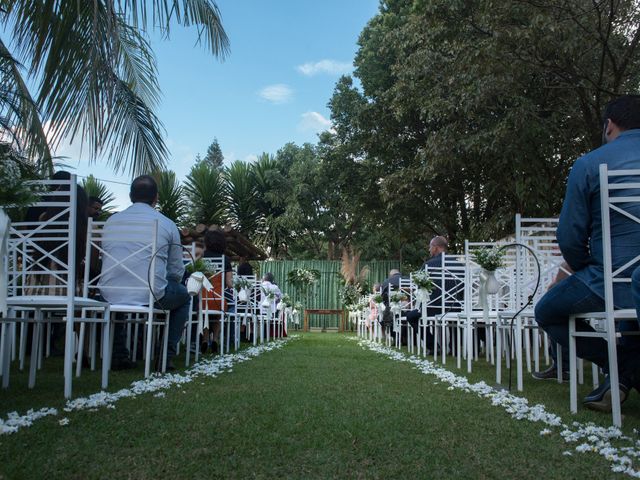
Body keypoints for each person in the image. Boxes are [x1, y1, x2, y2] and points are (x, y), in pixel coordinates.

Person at [533, 94, 640, 411]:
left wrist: (584, 267)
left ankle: (623, 368)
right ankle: (625, 370)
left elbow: (569, 236)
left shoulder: (591, 164)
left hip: (609, 279)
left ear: (609, 125)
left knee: (547, 312)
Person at [100, 175, 189, 371]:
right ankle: (164, 357)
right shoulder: (166, 223)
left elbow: (104, 258)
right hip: (150, 294)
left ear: (130, 195)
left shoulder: (111, 221)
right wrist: (168, 281)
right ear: (156, 198)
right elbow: (176, 269)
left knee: (117, 295)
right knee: (184, 296)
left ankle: (117, 354)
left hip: (109, 293)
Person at [201, 229, 233, 352]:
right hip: (218, 300)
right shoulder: (225, 259)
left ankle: (204, 339)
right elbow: (229, 284)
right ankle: (215, 339)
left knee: (204, 314)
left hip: (203, 300)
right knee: (217, 315)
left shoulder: (201, 257)